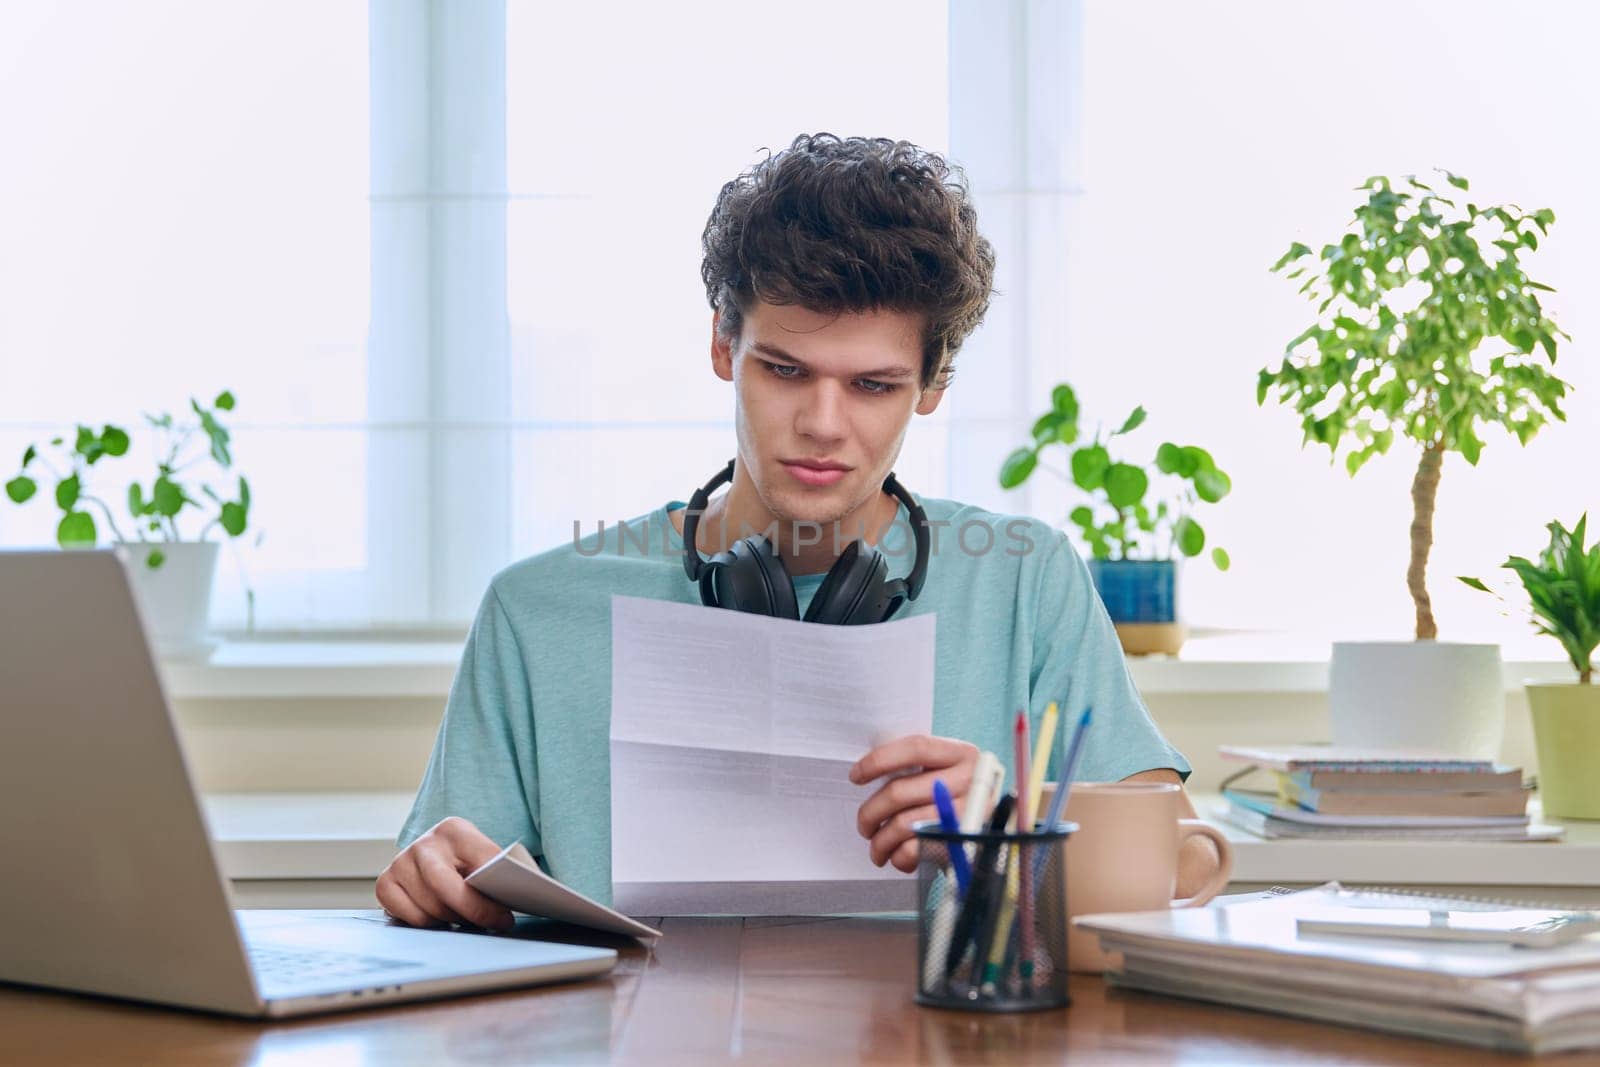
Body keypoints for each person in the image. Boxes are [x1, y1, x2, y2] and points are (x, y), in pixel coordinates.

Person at [377, 133, 1215, 932]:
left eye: (873, 385)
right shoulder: (534, 612)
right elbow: (451, 891)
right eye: (784, 370)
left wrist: (1013, 829)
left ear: (932, 385)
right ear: (721, 344)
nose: (822, 423)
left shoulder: (1027, 581)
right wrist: (431, 878)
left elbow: (1185, 867)